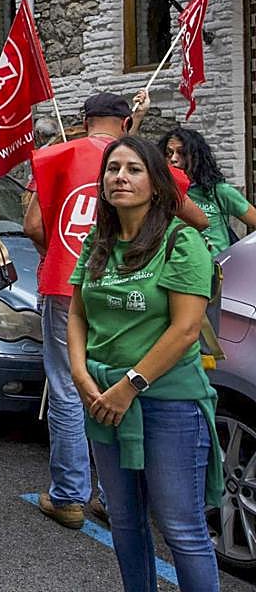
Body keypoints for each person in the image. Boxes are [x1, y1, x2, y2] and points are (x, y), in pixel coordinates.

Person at [24, 91, 208, 529]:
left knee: (69, 387)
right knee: (125, 375)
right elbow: (197, 218)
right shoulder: (142, 162)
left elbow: (32, 224)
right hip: (132, 283)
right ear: (126, 123)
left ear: (83, 119)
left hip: (69, 281)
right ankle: (113, 494)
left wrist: (62, 259)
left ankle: (68, 494)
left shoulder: (57, 155)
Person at [68, 136, 222, 591]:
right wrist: (79, 373)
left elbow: (186, 329)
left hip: (167, 404)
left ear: (156, 183)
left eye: (134, 169)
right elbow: (77, 312)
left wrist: (130, 385)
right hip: (102, 399)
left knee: (181, 530)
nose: (120, 177)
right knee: (126, 525)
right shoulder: (98, 242)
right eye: (113, 169)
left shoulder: (183, 241)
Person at [160, 126, 256, 254]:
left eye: (182, 153)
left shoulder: (218, 191)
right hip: (179, 269)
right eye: (168, 153)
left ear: (196, 157)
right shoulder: (160, 194)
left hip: (217, 269)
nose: (173, 159)